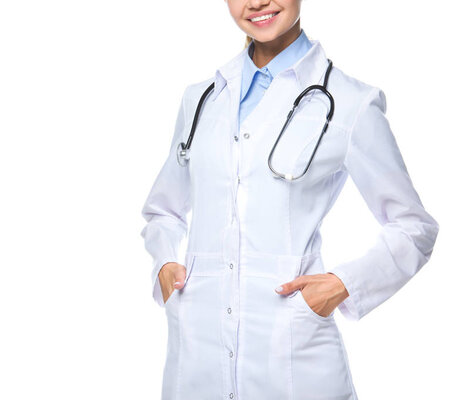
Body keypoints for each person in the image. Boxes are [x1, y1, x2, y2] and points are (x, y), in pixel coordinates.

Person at [139, 1, 440, 399]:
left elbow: (414, 228)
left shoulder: (350, 102)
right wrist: (164, 261)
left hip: (295, 358)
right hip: (198, 355)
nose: (258, 3)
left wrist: (342, 284)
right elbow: (163, 210)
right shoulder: (201, 100)